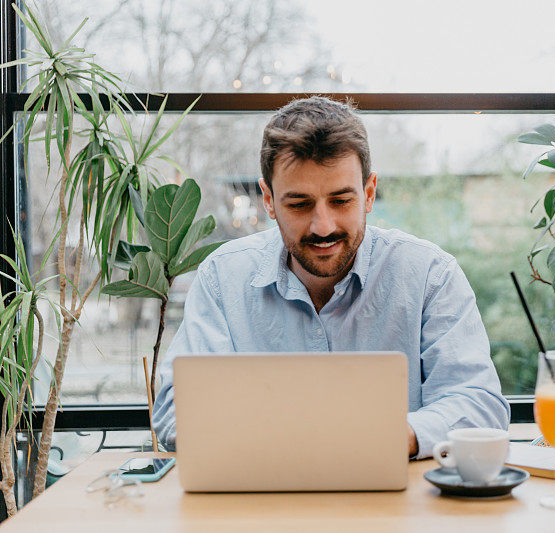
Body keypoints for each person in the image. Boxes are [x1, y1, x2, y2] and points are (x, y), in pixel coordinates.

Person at [152, 96, 509, 458]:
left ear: (369, 193)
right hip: (259, 502)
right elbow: (175, 411)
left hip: (400, 504)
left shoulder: (431, 275)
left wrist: (398, 436)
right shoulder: (222, 277)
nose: (323, 226)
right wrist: (294, 440)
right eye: (299, 204)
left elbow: (478, 404)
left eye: (340, 201)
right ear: (269, 200)